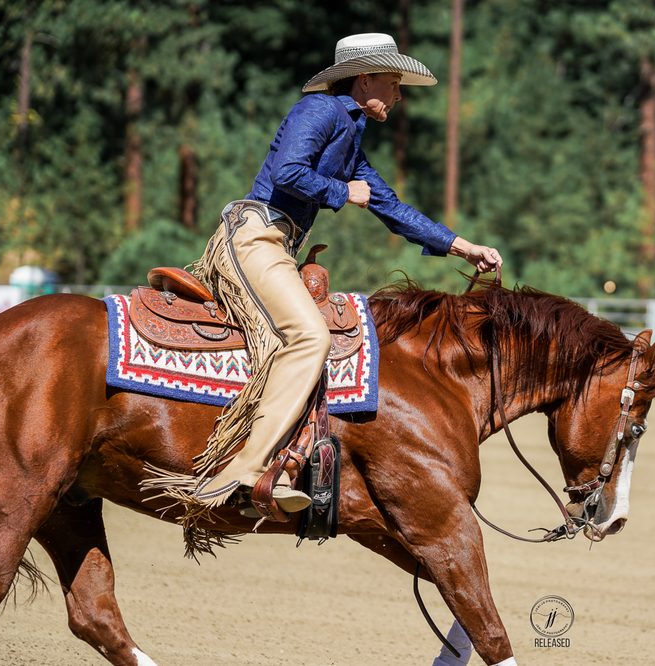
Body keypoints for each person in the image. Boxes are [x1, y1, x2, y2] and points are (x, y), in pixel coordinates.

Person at [189, 33, 503, 515]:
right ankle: (243, 473)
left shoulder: (349, 137)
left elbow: (392, 208)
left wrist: (463, 247)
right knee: (309, 338)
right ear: (365, 79)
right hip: (254, 237)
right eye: (393, 83)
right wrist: (342, 192)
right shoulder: (319, 111)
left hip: (275, 243)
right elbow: (288, 172)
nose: (398, 95)